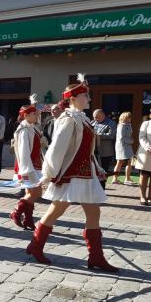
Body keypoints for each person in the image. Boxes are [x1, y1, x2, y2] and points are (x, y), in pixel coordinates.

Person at [26, 76, 118, 273]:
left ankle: (96, 256)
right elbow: (56, 149)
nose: (89, 99)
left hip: (85, 174)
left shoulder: (82, 119)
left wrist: (96, 167)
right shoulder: (68, 119)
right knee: (56, 210)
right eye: (86, 96)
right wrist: (49, 173)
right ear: (73, 98)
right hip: (72, 174)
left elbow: (86, 150)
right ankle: (36, 245)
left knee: (93, 212)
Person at [10, 96, 44, 231]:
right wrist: (26, 170)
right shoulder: (24, 130)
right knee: (36, 193)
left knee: (32, 193)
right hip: (28, 166)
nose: (36, 116)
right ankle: (16, 212)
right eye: (34, 114)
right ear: (26, 115)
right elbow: (23, 152)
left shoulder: (31, 128)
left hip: (34, 165)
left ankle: (28, 219)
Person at [92, 108, 116, 189]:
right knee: (94, 172)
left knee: (103, 172)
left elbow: (111, 135)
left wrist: (98, 135)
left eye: (97, 117)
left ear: (103, 115)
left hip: (105, 152)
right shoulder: (93, 122)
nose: (95, 119)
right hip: (94, 152)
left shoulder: (111, 123)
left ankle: (102, 190)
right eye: (94, 117)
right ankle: (94, 190)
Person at [112, 112, 135, 186]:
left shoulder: (127, 125)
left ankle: (126, 178)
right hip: (122, 146)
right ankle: (116, 179)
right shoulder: (122, 126)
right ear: (125, 118)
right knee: (120, 162)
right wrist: (131, 141)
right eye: (129, 117)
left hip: (126, 146)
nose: (130, 118)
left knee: (128, 162)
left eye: (130, 117)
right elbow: (122, 137)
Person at [134, 112, 151, 205]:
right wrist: (148, 147)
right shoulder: (146, 123)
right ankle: (143, 196)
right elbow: (142, 137)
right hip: (146, 154)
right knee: (144, 176)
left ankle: (150, 197)